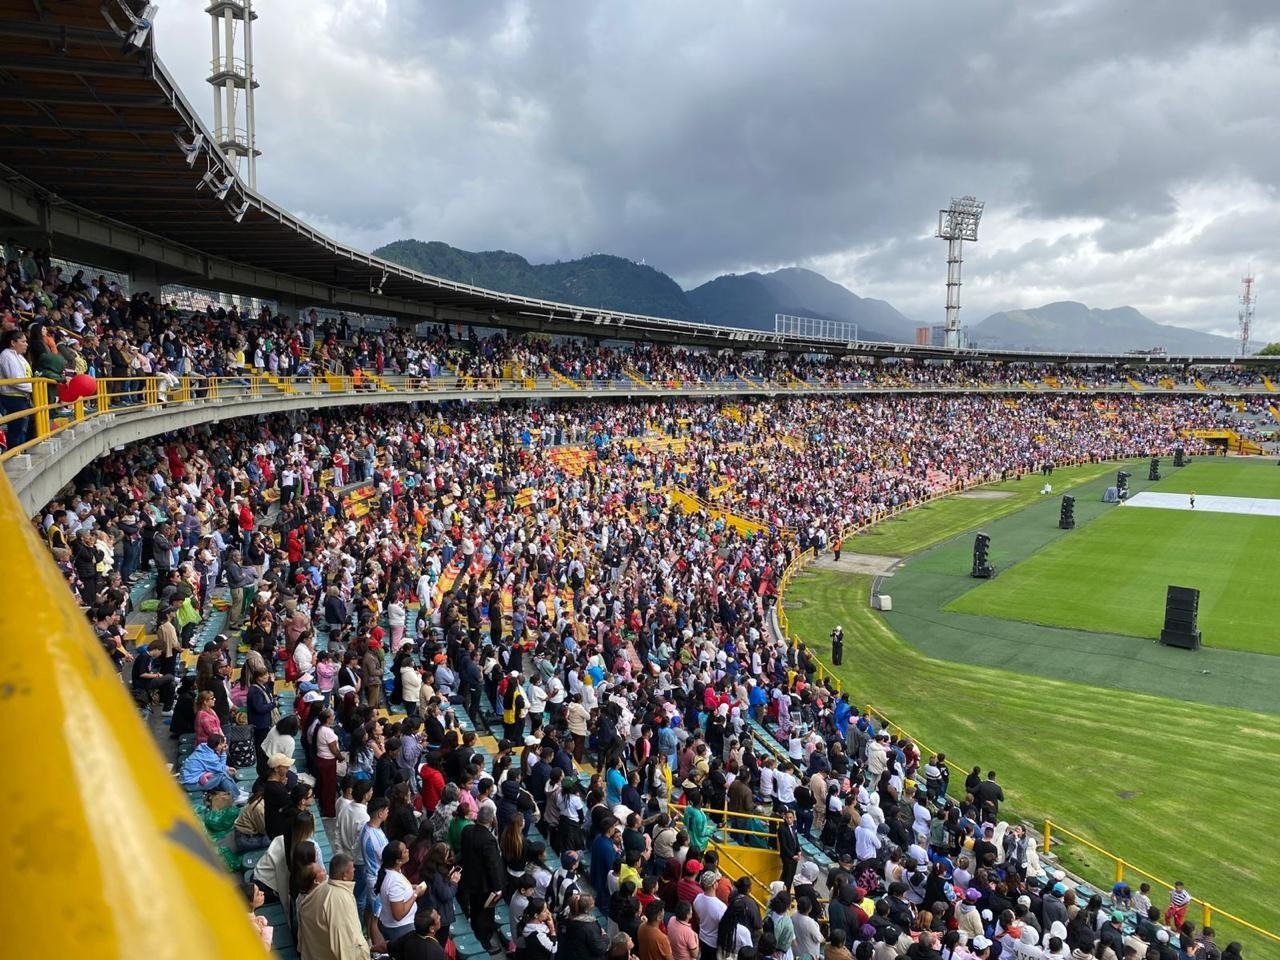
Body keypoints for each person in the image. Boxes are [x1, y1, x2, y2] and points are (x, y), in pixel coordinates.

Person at [295, 853, 369, 960]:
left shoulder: (316, 894)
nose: (354, 871)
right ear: (344, 875)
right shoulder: (339, 898)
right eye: (352, 869)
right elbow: (344, 942)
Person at [459, 806, 505, 950]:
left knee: (475, 909)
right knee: (484, 914)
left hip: (469, 878)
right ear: (491, 819)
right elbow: (493, 865)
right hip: (483, 885)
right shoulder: (488, 839)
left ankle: (477, 933)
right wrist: (498, 887)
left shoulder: (467, 830)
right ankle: (484, 942)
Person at [375, 840, 426, 943]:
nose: (408, 850)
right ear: (398, 861)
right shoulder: (394, 882)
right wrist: (416, 893)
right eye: (404, 851)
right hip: (400, 929)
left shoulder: (393, 871)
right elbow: (398, 915)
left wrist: (411, 887)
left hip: (398, 925)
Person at [179, 733, 248, 803]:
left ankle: (235, 791)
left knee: (223, 773)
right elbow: (220, 769)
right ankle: (236, 797)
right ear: (216, 745)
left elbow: (215, 765)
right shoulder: (209, 757)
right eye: (221, 744)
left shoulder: (204, 747)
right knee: (221, 775)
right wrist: (224, 753)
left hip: (192, 778)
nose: (223, 745)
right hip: (190, 784)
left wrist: (227, 768)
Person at [777, 808, 801, 889]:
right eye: (787, 818)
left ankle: (785, 889)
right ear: (784, 818)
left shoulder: (794, 826)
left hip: (795, 855)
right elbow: (783, 845)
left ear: (793, 818)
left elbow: (796, 839)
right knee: (788, 876)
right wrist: (792, 856)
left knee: (791, 875)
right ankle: (785, 891)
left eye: (791, 817)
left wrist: (799, 851)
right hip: (787, 857)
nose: (789, 819)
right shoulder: (781, 829)